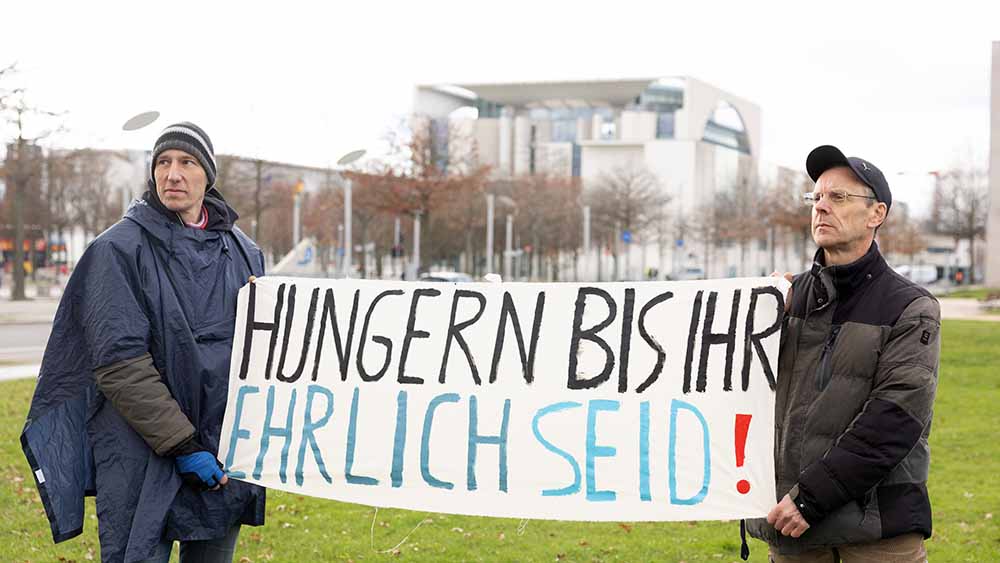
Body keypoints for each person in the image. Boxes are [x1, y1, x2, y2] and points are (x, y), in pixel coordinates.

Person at [21, 122, 266, 563]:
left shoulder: (244, 251)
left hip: (224, 451)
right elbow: (120, 364)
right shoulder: (118, 250)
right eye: (163, 163)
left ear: (208, 174)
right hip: (141, 452)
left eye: (187, 162)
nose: (173, 173)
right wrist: (183, 446)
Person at [745, 145, 940, 562]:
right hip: (792, 535)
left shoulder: (910, 307)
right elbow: (734, 394)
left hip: (876, 540)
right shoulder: (783, 300)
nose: (821, 207)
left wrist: (810, 499)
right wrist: (759, 323)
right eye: (816, 197)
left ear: (877, 214)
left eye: (838, 197)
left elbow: (894, 420)